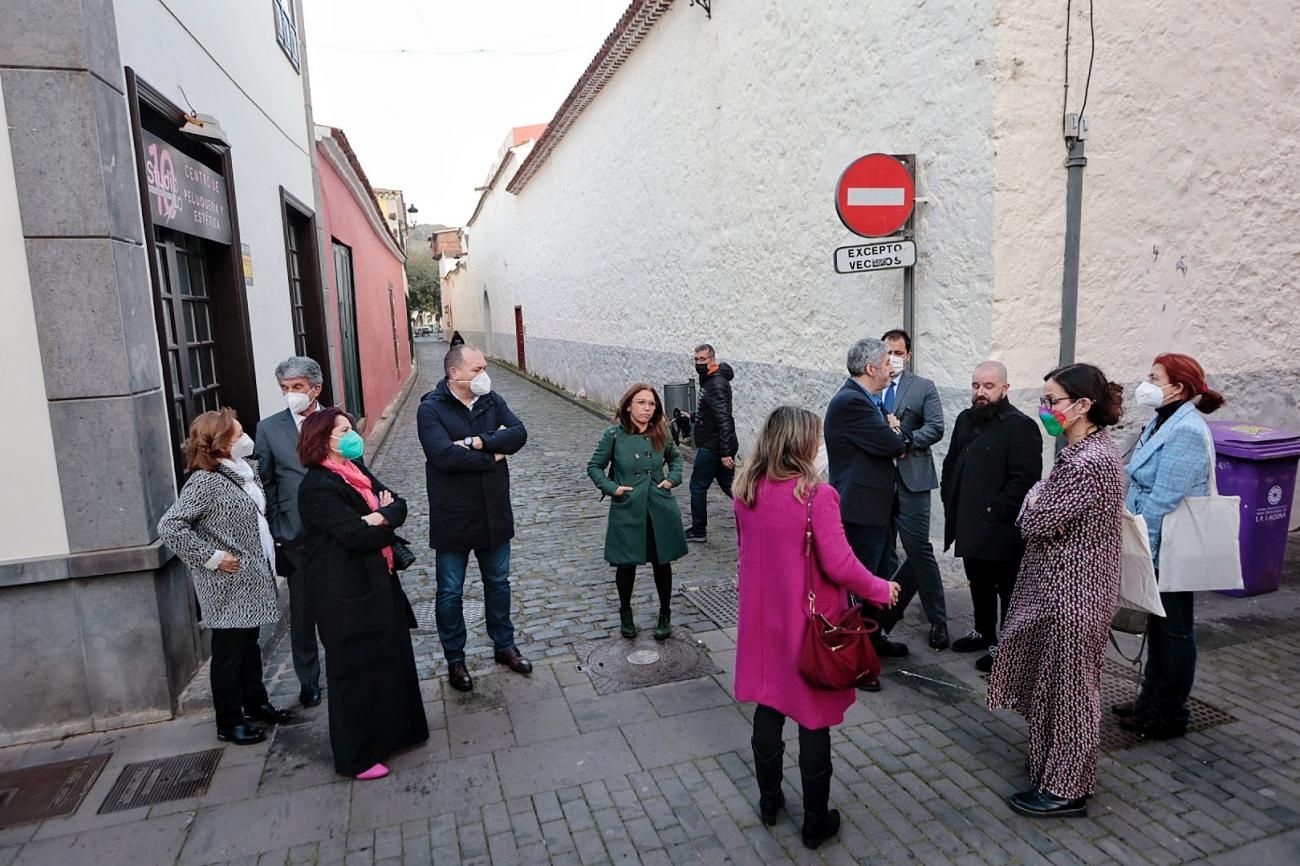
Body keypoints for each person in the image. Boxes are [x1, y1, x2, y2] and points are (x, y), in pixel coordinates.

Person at [733, 407, 901, 849]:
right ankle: (814, 821)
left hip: (761, 620)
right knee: (812, 721)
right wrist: (882, 588)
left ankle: (769, 802)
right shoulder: (815, 495)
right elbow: (841, 564)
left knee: (768, 709)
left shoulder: (746, 489)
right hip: (809, 622)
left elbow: (746, 552)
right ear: (802, 444)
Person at [987, 363, 1126, 818]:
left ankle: (1067, 788)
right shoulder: (1077, 453)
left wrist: (1033, 498)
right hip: (1060, 592)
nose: (1046, 409)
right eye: (1043, 399)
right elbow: (1041, 510)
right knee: (1053, 687)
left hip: (1076, 597)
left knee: (1071, 694)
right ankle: (1051, 769)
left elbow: (1033, 519)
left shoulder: (1089, 461)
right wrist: (1038, 497)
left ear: (1083, 406)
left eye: (1053, 401)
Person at [297, 408, 427, 780]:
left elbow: (398, 504)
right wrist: (380, 517)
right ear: (323, 439)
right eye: (343, 430)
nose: (352, 433)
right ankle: (357, 756)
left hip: (378, 581)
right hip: (345, 593)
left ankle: (396, 733)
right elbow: (356, 536)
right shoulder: (318, 487)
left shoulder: (355, 469)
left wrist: (379, 516)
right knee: (354, 674)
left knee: (390, 659)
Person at [158, 409, 291, 746]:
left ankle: (256, 704)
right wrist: (212, 557)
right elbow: (170, 525)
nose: (246, 437)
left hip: (252, 577)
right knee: (230, 652)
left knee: (249, 647)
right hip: (226, 583)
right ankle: (229, 722)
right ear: (222, 442)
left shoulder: (244, 472)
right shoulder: (205, 480)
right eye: (239, 432)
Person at [1115, 353, 1225, 740]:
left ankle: (1168, 712)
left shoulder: (1187, 430)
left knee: (1174, 631)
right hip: (1152, 537)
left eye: (1153, 376)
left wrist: (1143, 551)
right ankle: (1150, 699)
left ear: (1177, 387)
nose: (1145, 383)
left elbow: (1165, 499)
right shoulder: (1163, 419)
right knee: (1159, 629)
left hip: (1168, 544)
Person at [416, 345, 531, 692]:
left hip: (494, 511)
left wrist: (477, 442)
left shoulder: (491, 400)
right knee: (450, 592)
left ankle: (504, 646)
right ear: (455, 374)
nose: (484, 374)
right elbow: (444, 456)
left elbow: (519, 434)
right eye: (477, 368)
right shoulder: (430, 409)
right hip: (453, 515)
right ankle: (455, 659)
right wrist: (492, 454)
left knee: (499, 583)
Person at [940, 361, 1043, 672]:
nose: (980, 392)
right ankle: (983, 631)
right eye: (976, 386)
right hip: (969, 522)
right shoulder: (965, 420)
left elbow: (1025, 479)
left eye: (988, 386)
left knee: (1007, 589)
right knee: (978, 582)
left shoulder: (1020, 426)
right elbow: (951, 462)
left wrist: (994, 510)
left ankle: (1007, 647)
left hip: (1002, 527)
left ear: (1005, 388)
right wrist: (950, 498)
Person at [823, 337, 909, 669]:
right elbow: (893, 443)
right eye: (888, 363)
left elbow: (895, 439)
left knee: (880, 573)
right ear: (871, 368)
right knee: (861, 581)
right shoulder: (852, 402)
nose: (892, 369)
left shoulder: (870, 399)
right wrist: (896, 434)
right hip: (860, 507)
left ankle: (873, 640)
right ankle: (853, 656)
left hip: (877, 506)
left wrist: (895, 433)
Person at [252, 356, 327, 707]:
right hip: (295, 533)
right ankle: (308, 679)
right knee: (303, 612)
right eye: (285, 389)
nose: (290, 394)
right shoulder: (269, 429)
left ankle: (345, 666)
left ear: (315, 388)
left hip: (335, 529)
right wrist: (277, 527)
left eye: (297, 388)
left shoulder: (336, 420)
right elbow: (263, 481)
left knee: (341, 603)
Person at [587, 384, 689, 640]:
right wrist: (613, 488)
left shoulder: (660, 432)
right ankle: (625, 611)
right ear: (629, 405)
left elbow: (675, 458)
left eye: (652, 404)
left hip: (659, 507)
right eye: (641, 402)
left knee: (662, 562)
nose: (647, 408)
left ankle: (665, 614)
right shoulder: (613, 435)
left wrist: (671, 479)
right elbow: (594, 467)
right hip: (628, 508)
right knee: (626, 564)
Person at [876, 329, 950, 650]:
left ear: (907, 355)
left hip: (913, 479)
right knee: (882, 549)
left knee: (918, 549)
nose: (892, 358)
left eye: (898, 352)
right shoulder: (870, 387)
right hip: (878, 481)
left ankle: (938, 619)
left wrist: (906, 439)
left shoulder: (923, 387)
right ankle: (889, 612)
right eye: (886, 352)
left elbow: (935, 427)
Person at [685, 343, 737, 543]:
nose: (699, 363)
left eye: (703, 360)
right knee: (730, 485)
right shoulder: (709, 380)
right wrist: (692, 416)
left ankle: (698, 530)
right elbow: (711, 413)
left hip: (712, 446)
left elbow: (724, 418)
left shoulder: (716, 384)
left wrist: (725, 452)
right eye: (696, 359)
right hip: (715, 444)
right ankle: (761, 513)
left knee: (697, 487)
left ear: (712, 359)